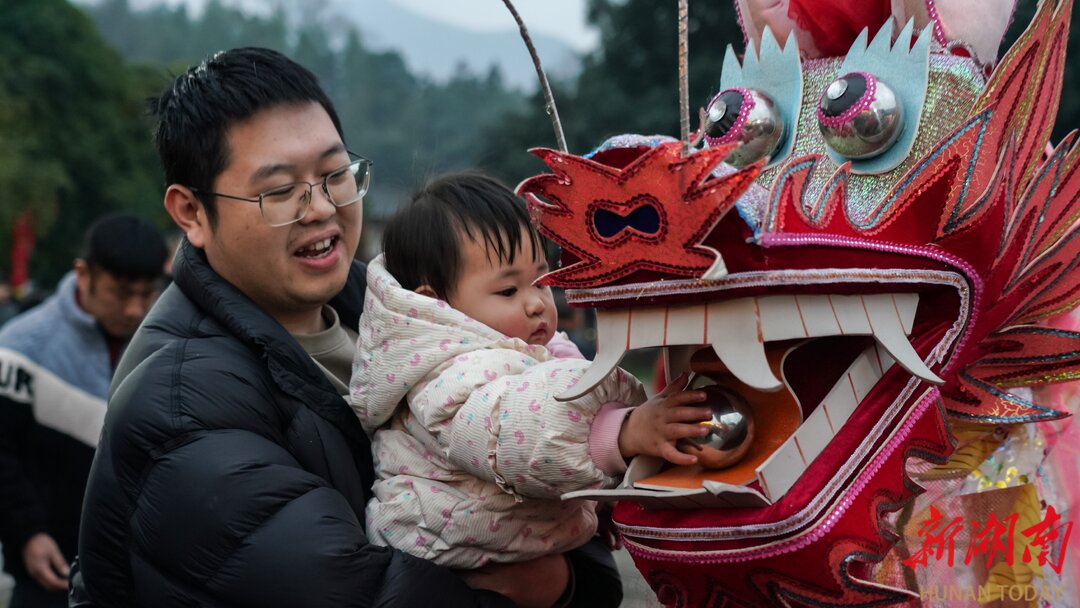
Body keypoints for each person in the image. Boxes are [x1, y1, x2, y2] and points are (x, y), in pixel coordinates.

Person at [72, 47, 627, 608]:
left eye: (335, 175)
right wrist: (544, 584)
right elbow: (348, 591)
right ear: (191, 212)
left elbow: (550, 483)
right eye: (279, 191)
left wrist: (567, 577)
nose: (320, 209)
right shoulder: (182, 405)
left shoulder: (407, 314)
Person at [351, 173, 711, 584]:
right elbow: (514, 431)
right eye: (508, 291)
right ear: (437, 304)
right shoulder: (448, 376)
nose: (537, 303)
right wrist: (624, 432)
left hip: (504, 539)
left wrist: (598, 501)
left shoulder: (534, 351)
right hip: (442, 547)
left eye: (541, 282)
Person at [0, 213, 166, 608]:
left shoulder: (165, 349)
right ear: (83, 274)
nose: (134, 309)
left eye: (146, 294)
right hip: (49, 572)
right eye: (121, 293)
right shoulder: (20, 349)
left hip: (140, 576)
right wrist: (27, 534)